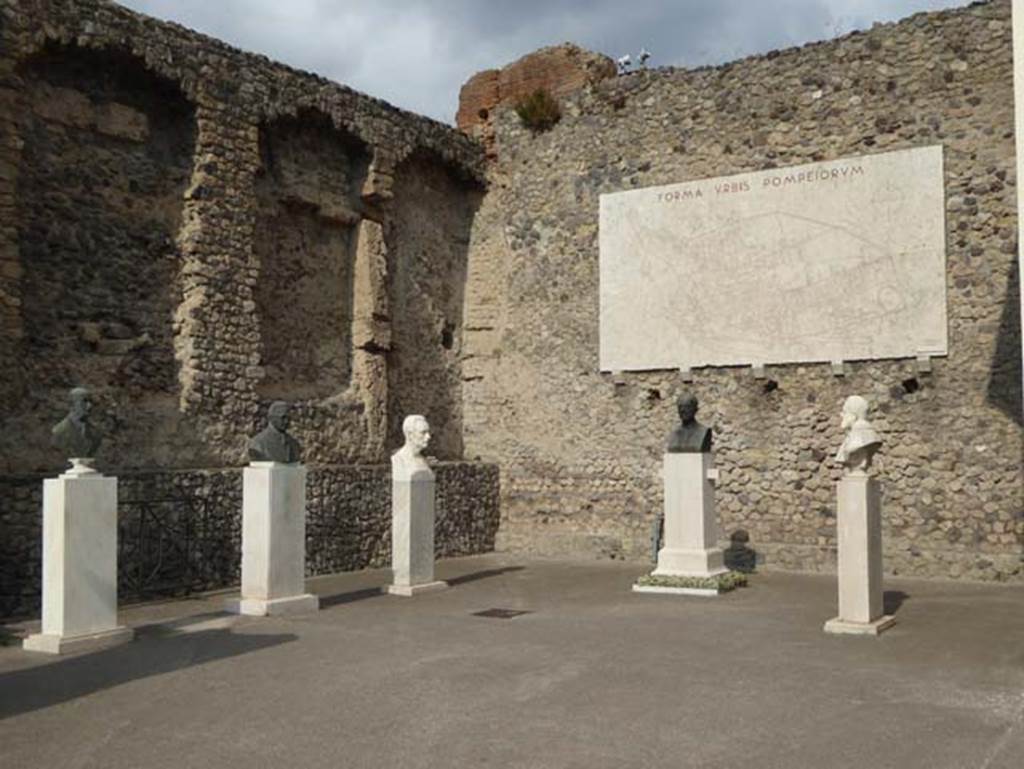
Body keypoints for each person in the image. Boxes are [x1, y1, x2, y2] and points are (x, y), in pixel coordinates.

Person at [52, 386, 102, 458]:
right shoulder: (59, 431)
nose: (89, 406)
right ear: (73, 404)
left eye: (90, 401)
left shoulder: (96, 432)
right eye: (84, 401)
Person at [834, 395, 881, 472]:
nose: (842, 415)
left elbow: (851, 449)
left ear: (853, 412)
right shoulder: (852, 431)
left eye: (845, 411)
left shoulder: (861, 430)